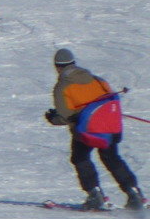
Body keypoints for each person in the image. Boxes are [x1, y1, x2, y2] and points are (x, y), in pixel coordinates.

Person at [46, 49, 145, 210]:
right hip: (111, 126)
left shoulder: (62, 86)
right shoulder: (97, 80)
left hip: (88, 130)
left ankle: (94, 195)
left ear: (57, 67)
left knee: (80, 157)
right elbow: (111, 100)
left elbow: (66, 116)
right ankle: (134, 193)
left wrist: (53, 118)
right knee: (112, 157)